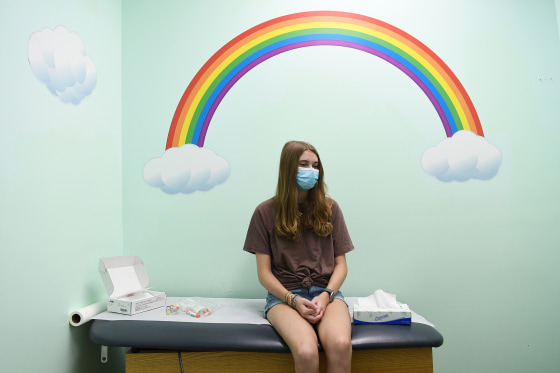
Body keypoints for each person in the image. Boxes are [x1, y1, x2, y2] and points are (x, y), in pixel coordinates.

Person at [243, 140, 354, 373]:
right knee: (306, 351)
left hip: (327, 293)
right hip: (285, 297)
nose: (310, 171)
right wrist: (292, 300)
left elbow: (341, 265)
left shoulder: (331, 208)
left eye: (315, 166)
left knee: (341, 344)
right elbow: (263, 273)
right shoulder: (264, 212)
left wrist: (326, 296)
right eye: (303, 164)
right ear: (288, 168)